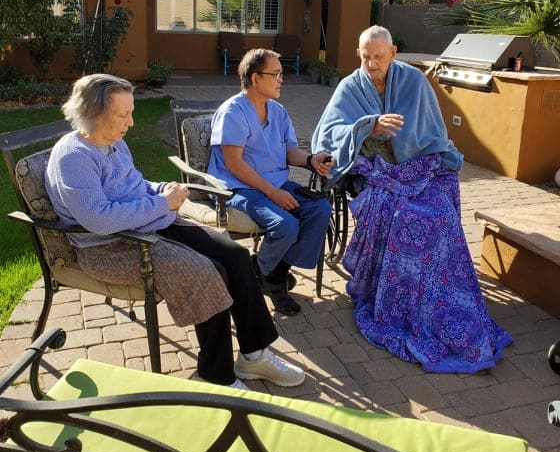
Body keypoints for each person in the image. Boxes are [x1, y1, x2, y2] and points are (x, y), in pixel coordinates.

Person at [45, 73, 305, 389]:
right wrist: (162, 204)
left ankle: (254, 356)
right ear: (92, 113)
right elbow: (99, 220)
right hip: (109, 246)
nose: (130, 123)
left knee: (235, 255)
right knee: (205, 272)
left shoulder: (113, 143)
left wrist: (161, 189)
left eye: (131, 113)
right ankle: (216, 376)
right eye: (123, 114)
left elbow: (134, 184)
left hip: (149, 223)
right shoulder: (74, 157)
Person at [312, 26, 512, 374]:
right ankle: (394, 298)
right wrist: (366, 127)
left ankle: (439, 299)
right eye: (365, 56)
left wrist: (411, 156)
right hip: (371, 172)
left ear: (393, 52)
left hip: (417, 168)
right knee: (402, 215)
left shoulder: (415, 82)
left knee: (441, 215)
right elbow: (326, 135)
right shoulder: (350, 87)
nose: (371, 64)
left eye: (378, 56)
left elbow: (434, 132)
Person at [208, 48, 333, 316]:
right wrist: (273, 193)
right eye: (275, 74)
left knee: (320, 209)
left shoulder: (278, 111)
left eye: (281, 74)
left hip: (275, 184)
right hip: (237, 188)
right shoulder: (233, 112)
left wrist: (312, 160)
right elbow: (234, 164)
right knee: (285, 224)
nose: (281, 79)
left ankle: (268, 271)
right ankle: (273, 283)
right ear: (255, 78)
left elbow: (289, 152)